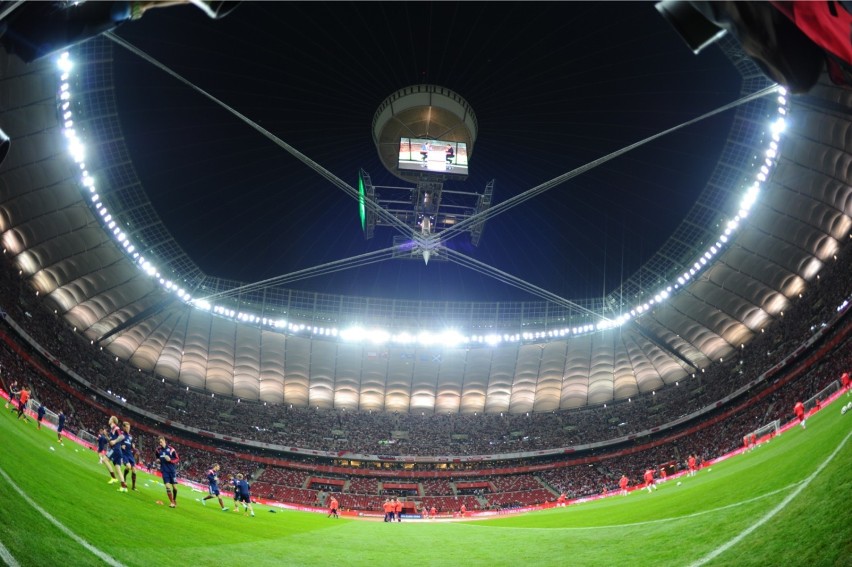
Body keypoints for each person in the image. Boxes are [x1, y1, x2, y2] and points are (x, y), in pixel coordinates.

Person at [155, 436, 179, 508]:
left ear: (164, 441)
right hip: (164, 471)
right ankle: (171, 502)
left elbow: (177, 459)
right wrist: (158, 461)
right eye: (159, 442)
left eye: (161, 442)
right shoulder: (158, 450)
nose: (160, 443)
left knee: (175, 488)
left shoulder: (171, 449)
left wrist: (170, 460)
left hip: (172, 471)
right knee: (167, 487)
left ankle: (174, 500)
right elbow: (157, 458)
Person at [107, 416, 128, 491]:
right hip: (118, 450)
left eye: (110, 419)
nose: (109, 420)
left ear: (112, 420)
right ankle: (124, 487)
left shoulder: (116, 428)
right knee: (118, 469)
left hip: (115, 449)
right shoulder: (112, 429)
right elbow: (111, 441)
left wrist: (115, 441)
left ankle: (113, 478)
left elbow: (122, 436)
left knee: (105, 460)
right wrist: (107, 436)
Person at [120, 422, 138, 491]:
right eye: (127, 428)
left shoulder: (130, 436)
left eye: (129, 428)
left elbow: (132, 444)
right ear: (124, 427)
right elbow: (117, 441)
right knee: (128, 466)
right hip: (124, 454)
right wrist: (121, 445)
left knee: (134, 470)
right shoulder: (121, 434)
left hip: (130, 454)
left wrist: (133, 446)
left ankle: (133, 487)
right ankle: (124, 479)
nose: (128, 429)